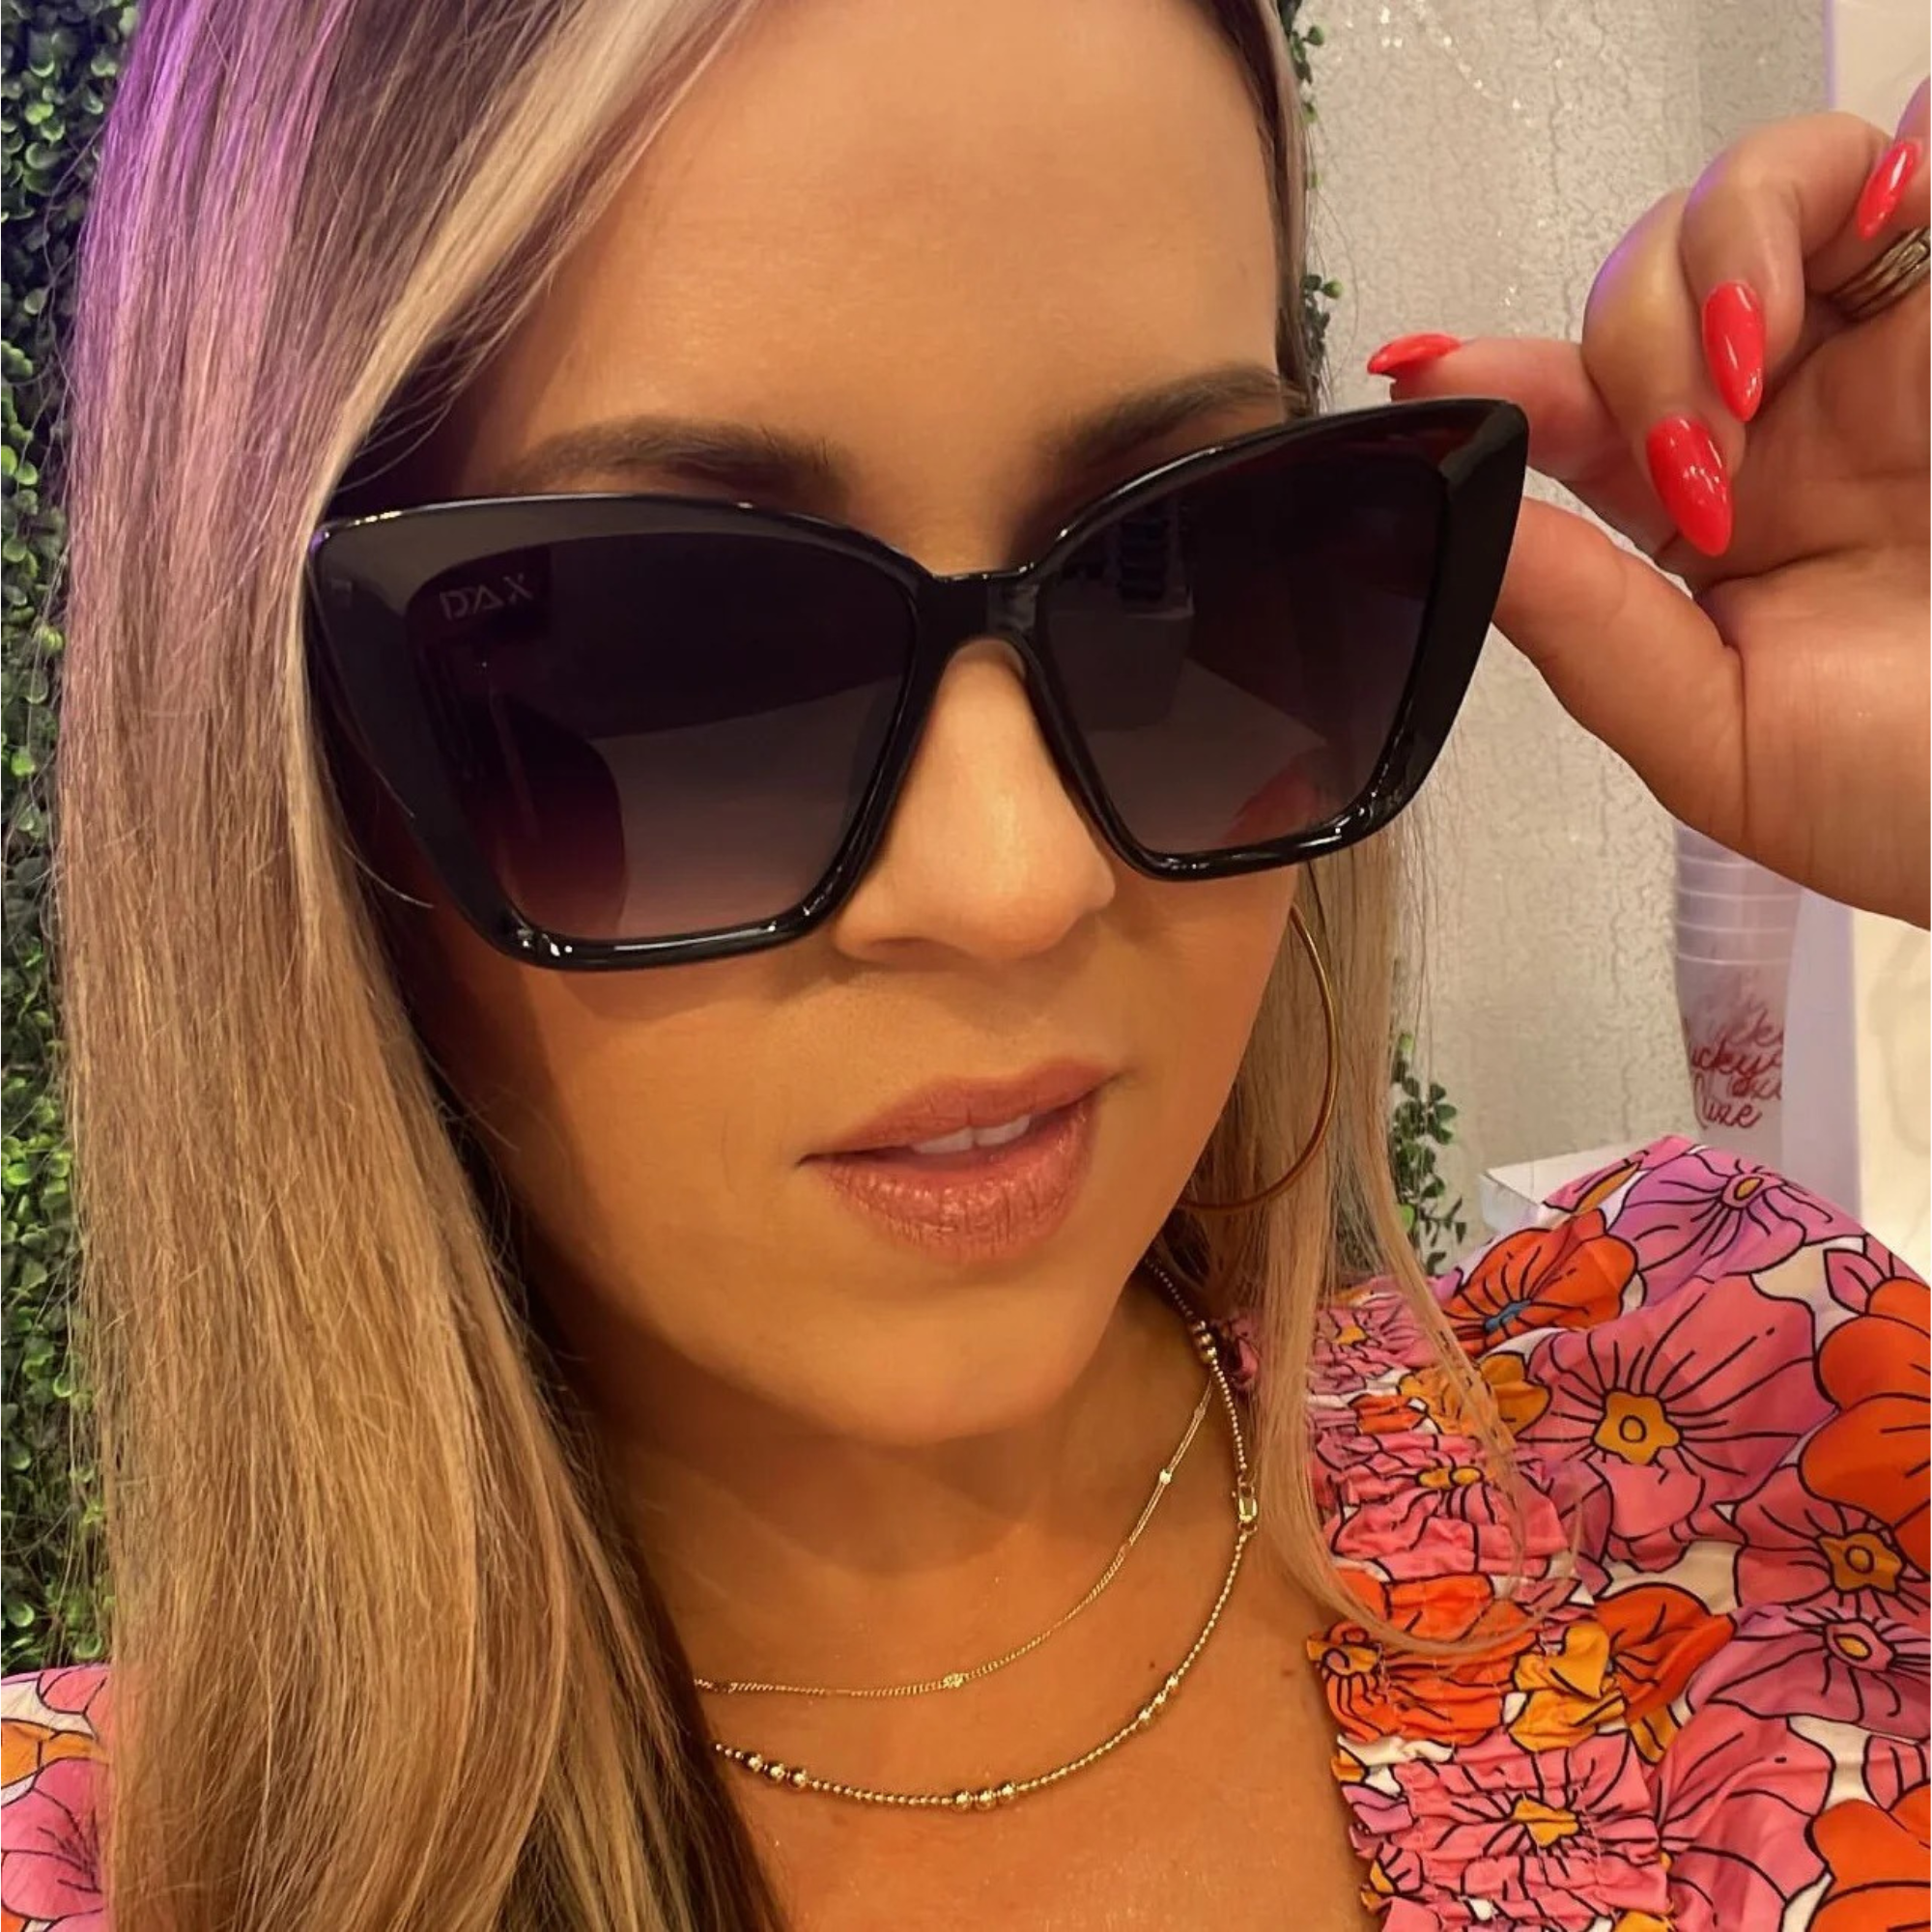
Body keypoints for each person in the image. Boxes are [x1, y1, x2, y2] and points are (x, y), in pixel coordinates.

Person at [1, 0, 1925, 1925]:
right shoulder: (103, 1872)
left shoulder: (1761, 1448)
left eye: (1176, 568)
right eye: (674, 658)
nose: (1016, 881)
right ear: (293, 759)